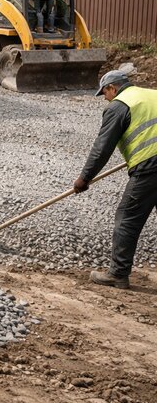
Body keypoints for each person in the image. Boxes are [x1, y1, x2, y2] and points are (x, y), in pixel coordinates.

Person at [73, 69, 157, 288]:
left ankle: (118, 273)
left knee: (127, 218)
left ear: (112, 88)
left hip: (150, 166)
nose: (105, 98)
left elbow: (102, 148)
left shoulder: (120, 105)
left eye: (104, 93)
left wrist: (84, 178)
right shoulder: (152, 94)